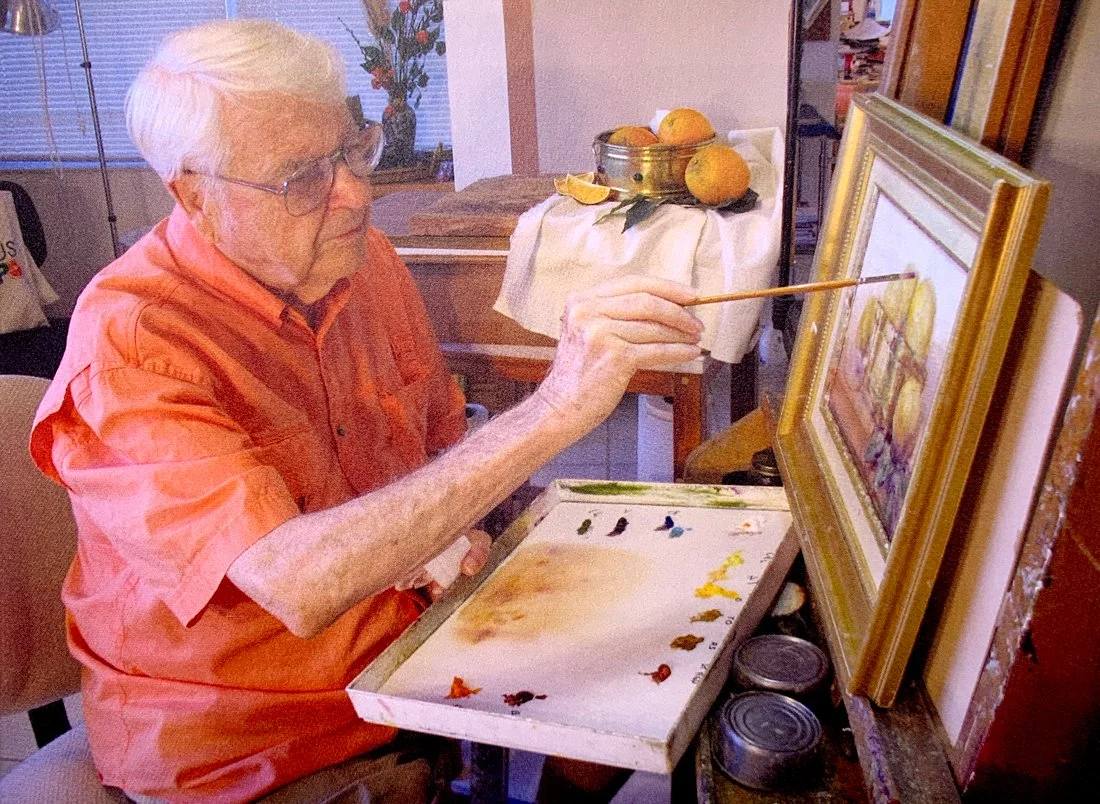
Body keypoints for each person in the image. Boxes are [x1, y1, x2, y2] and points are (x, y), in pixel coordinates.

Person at [29, 19, 703, 803]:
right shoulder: (132, 343)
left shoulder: (360, 259)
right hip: (259, 742)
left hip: (404, 655)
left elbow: (439, 445)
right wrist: (554, 406)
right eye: (300, 178)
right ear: (195, 197)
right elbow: (298, 584)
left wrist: (462, 536)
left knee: (657, 644)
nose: (354, 194)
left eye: (352, 151)